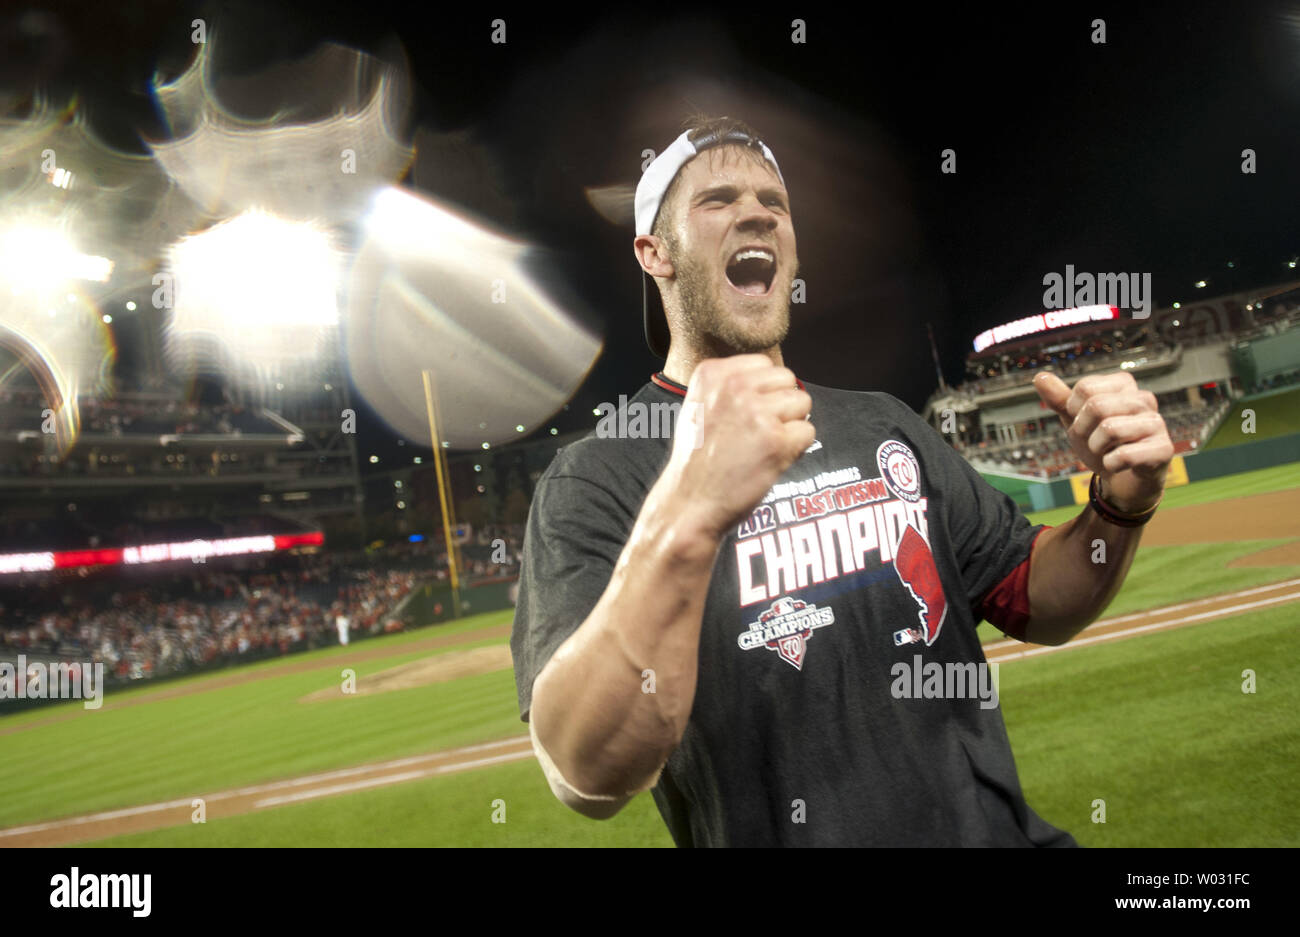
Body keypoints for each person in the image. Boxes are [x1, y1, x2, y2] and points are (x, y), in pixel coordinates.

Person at [510, 115, 1173, 847]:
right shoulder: (597, 476)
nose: (757, 211)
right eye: (718, 199)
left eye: (774, 201)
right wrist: (687, 512)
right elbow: (585, 769)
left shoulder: (885, 425)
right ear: (654, 251)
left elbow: (1034, 597)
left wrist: (1119, 506)